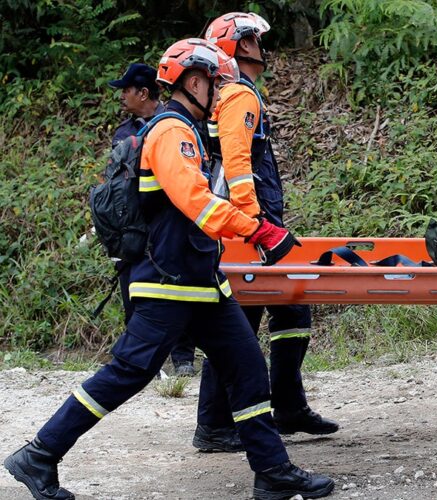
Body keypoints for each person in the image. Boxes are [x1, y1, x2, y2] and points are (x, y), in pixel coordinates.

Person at [4, 38, 334, 500]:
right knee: (128, 372)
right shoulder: (171, 132)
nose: (221, 97)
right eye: (217, 86)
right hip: (168, 283)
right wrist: (259, 230)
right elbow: (198, 204)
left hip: (199, 282)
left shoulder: (188, 131)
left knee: (247, 370)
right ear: (194, 82)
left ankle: (273, 473)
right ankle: (39, 455)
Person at [202, 12, 339, 437]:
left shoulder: (229, 93)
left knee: (291, 307)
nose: (263, 46)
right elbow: (239, 165)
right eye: (257, 39)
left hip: (246, 220)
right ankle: (216, 424)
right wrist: (255, 223)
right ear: (241, 45)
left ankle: (288, 406)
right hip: (247, 222)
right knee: (238, 318)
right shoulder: (239, 95)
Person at [108, 63, 198, 377]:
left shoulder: (175, 125)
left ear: (143, 92)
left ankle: (183, 359)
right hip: (132, 227)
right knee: (133, 292)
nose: (121, 96)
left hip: (167, 225)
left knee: (176, 286)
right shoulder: (124, 133)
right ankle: (139, 363)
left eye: (126, 90)